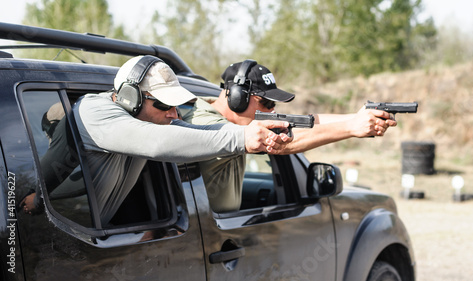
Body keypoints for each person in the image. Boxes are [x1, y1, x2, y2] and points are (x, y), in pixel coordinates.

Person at [20, 55, 291, 226]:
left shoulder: (144, 116)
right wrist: (243, 136)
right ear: (129, 96)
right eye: (164, 104)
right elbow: (160, 142)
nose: (174, 114)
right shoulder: (95, 112)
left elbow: (188, 132)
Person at [181, 59, 397, 212]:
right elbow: (282, 145)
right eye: (266, 103)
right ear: (237, 98)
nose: (271, 111)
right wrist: (350, 128)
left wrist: (357, 117)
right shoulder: (205, 123)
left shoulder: (230, 118)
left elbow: (306, 121)